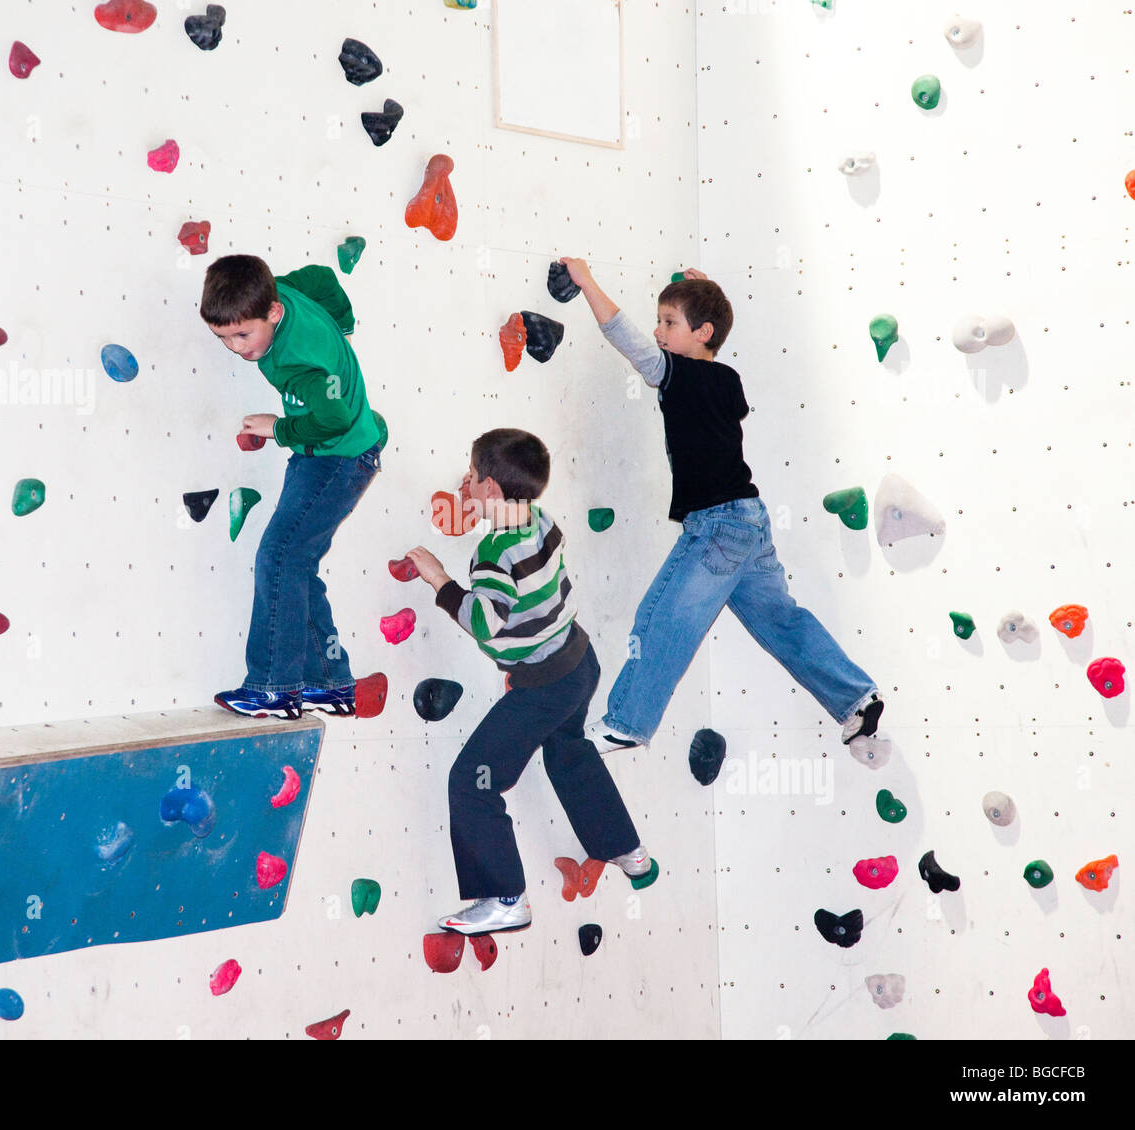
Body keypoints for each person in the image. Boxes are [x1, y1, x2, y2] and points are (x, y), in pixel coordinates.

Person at [559, 257, 884, 754]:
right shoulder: (727, 380)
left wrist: (588, 284)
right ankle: (856, 696)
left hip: (716, 526)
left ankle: (626, 722)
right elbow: (689, 342)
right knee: (780, 620)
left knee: (664, 618)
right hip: (750, 523)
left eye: (669, 323)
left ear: (702, 331)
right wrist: (703, 292)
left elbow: (625, 338)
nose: (658, 330)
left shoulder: (677, 375)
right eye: (660, 321)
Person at [405, 428, 654, 935]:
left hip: (544, 684)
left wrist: (439, 579)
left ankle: (505, 898)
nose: (466, 482)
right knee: (569, 755)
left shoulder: (495, 552)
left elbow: (484, 620)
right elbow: (519, 563)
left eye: (472, 477)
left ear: (492, 489)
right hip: (579, 663)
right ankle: (627, 850)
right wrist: (482, 500)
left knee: (472, 780)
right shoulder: (538, 519)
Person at [200, 255, 386, 719]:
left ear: (274, 313)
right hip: (336, 456)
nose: (236, 348)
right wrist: (340, 327)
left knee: (279, 557)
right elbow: (322, 277)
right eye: (222, 337)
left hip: (338, 458)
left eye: (243, 335)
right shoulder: (276, 290)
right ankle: (328, 681)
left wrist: (278, 429)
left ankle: (275, 688)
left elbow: (334, 418)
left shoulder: (298, 359)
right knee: (295, 563)